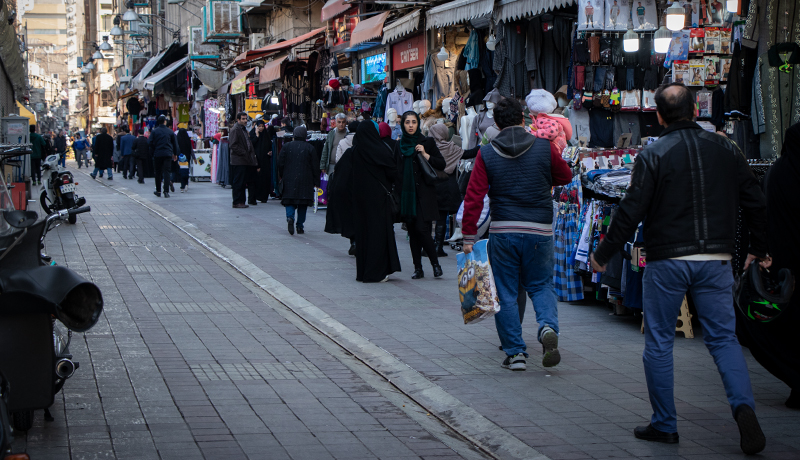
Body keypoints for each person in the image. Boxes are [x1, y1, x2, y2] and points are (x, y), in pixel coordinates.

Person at [589, 83, 769, 454]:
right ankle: (743, 408)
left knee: (659, 341)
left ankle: (665, 424)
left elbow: (631, 209)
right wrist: (760, 248)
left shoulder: (654, 154)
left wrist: (603, 252)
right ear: (695, 110)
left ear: (658, 116)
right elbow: (755, 200)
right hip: (715, 259)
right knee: (723, 339)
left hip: (667, 260)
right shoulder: (726, 149)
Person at [462, 98, 571, 372]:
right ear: (524, 119)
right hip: (540, 230)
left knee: (507, 292)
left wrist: (467, 236)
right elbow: (565, 176)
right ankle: (546, 327)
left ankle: (515, 354)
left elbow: (474, 197)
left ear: (497, 124)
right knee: (541, 285)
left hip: (504, 231)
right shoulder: (545, 148)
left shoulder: (486, 153)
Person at [735, 123, 800, 410]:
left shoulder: (776, 173)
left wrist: (761, 253)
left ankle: (796, 380)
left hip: (784, 268)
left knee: (783, 328)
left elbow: (763, 216)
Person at [393, 111, 445, 280]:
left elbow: (441, 164)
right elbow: (395, 170)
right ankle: (418, 268)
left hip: (424, 195)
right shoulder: (399, 145)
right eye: (407, 122)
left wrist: (426, 154)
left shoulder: (426, 142)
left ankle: (435, 264)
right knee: (414, 233)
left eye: (413, 122)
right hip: (407, 196)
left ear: (418, 124)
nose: (410, 125)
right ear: (403, 125)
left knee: (422, 230)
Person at [351, 121, 401, 282]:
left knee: (363, 236)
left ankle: (364, 272)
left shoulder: (355, 152)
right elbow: (393, 173)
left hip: (360, 201)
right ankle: (378, 271)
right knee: (379, 235)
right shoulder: (380, 150)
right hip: (379, 200)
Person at [429, 124, 480, 257]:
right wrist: (482, 145)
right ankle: (438, 247)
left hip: (431, 185)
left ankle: (428, 246)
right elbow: (469, 153)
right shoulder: (450, 147)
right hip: (447, 186)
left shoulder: (428, 147)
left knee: (428, 217)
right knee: (441, 217)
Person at [229, 112, 258, 208]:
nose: (245, 120)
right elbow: (233, 145)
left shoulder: (243, 129)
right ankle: (237, 201)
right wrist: (244, 152)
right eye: (243, 119)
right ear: (238, 120)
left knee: (242, 181)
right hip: (239, 160)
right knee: (238, 181)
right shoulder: (235, 130)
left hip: (244, 160)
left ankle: (241, 201)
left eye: (246, 119)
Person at [148, 115, 179, 197]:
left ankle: (158, 191)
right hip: (168, 154)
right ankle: (166, 191)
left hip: (157, 154)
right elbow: (175, 144)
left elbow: (149, 142)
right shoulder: (170, 131)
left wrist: (154, 150)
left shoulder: (154, 131)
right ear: (165, 121)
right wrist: (175, 154)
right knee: (167, 172)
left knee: (157, 172)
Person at [250, 119, 274, 202]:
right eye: (259, 126)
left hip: (265, 161)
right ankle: (256, 196)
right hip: (256, 161)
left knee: (265, 179)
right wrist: (257, 136)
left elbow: (270, 146)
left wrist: (270, 152)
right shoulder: (252, 134)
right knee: (257, 179)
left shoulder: (266, 136)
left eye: (262, 126)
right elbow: (251, 145)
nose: (261, 128)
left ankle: (264, 197)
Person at [176, 127, 195, 192]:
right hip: (187, 159)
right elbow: (191, 150)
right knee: (186, 171)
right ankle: (186, 184)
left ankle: (182, 186)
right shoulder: (188, 140)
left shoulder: (177, 140)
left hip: (180, 158)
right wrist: (194, 158)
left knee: (181, 172)